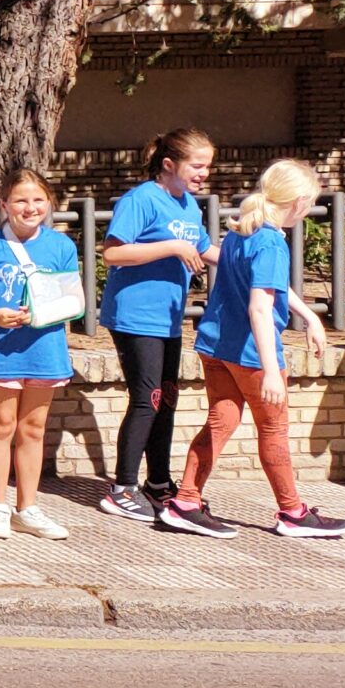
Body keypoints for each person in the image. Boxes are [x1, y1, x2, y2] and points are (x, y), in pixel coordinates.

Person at [161, 159, 345, 539]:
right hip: (249, 354)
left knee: (220, 422)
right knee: (274, 429)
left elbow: (269, 286)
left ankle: (186, 501)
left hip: (215, 346)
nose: (308, 210)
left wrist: (309, 316)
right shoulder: (272, 244)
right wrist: (272, 370)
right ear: (296, 202)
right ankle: (293, 512)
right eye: (309, 202)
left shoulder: (244, 233)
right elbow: (260, 307)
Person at [97, 128, 214, 522]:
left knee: (167, 399)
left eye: (207, 166)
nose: (204, 174)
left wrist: (244, 254)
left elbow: (203, 248)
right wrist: (173, 247)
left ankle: (159, 484)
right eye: (196, 165)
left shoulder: (189, 206)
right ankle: (122, 487)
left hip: (168, 319)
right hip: (134, 316)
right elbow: (113, 253)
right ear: (169, 164)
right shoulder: (142, 199)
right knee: (147, 399)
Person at [0, 169, 78, 540]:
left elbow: (71, 296)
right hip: (3, 350)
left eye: (38, 200)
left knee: (34, 428)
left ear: (50, 203)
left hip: (45, 348)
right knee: (2, 424)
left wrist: (49, 309)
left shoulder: (61, 247)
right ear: (5, 205)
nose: (30, 208)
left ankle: (29, 506)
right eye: (21, 201)